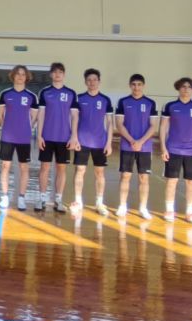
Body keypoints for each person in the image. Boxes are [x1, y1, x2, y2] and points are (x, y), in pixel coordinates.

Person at [158, 77, 192, 223]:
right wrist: (163, 147)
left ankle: (190, 212)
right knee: (172, 180)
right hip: (173, 149)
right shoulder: (170, 106)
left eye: (189, 87)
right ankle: (169, 210)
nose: (186, 89)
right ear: (178, 88)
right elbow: (163, 127)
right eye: (183, 86)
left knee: (191, 182)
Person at [69, 68, 113, 215]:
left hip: (100, 142)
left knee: (99, 172)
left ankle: (99, 203)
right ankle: (78, 201)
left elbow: (110, 122)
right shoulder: (79, 98)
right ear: (85, 82)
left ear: (99, 81)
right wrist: (74, 137)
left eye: (94, 80)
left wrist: (109, 143)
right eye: (89, 80)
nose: (92, 82)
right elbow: (74, 119)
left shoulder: (105, 100)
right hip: (82, 141)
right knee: (80, 170)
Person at [115, 74, 157, 218]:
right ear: (130, 85)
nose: (136, 87)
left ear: (143, 85)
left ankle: (143, 208)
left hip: (145, 147)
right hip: (127, 146)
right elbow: (119, 124)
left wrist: (140, 142)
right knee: (125, 175)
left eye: (139, 84)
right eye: (133, 84)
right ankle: (122, 206)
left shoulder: (150, 103)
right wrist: (132, 141)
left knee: (144, 177)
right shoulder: (123, 102)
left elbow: (153, 126)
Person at [35, 63, 76, 213]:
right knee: (44, 167)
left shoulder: (71, 93)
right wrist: (39, 135)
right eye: (55, 72)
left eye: (60, 72)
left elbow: (75, 116)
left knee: (61, 168)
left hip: (64, 137)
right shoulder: (45, 92)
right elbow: (41, 114)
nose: (57, 74)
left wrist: (74, 136)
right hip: (47, 136)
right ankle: (42, 198)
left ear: (64, 74)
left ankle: (58, 199)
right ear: (51, 75)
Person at [0, 65, 38, 211]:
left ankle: (21, 198)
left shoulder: (32, 96)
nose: (20, 77)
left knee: (24, 167)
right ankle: (4, 196)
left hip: (23, 137)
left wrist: (25, 128)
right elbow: (0, 115)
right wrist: (6, 127)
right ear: (13, 76)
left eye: (23, 74)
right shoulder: (4, 94)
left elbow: (34, 117)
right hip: (7, 136)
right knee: (5, 166)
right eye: (18, 74)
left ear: (26, 77)